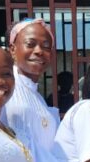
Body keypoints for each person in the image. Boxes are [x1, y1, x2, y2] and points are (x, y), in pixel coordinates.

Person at [4, 18, 60, 151]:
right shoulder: (2, 88)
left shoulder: (38, 98)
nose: (39, 51)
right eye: (30, 44)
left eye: (46, 47)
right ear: (12, 50)